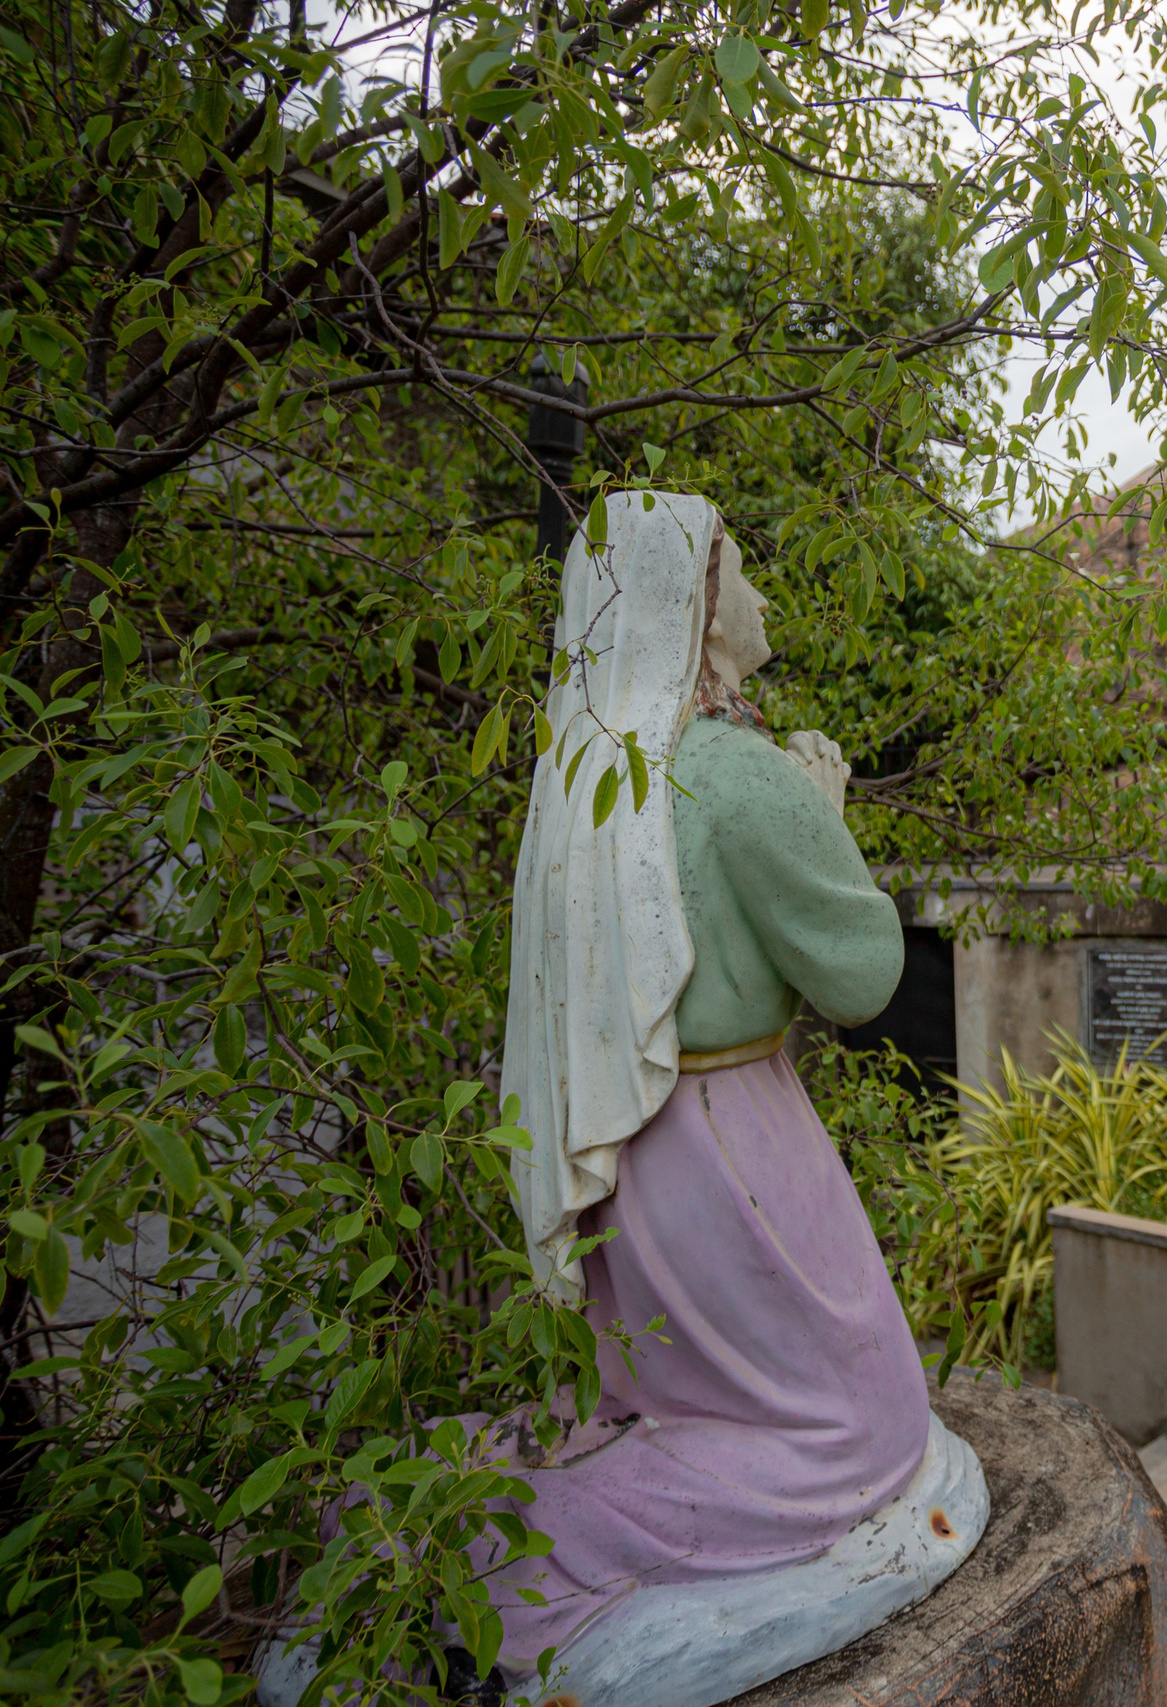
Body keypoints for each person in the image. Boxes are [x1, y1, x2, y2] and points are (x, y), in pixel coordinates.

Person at [259, 492, 984, 1707]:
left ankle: (459, 1520)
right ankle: (497, 1545)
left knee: (673, 1393)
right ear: (696, 608)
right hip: (737, 1153)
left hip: (629, 1151)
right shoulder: (740, 779)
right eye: (738, 573)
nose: (757, 597)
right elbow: (860, 979)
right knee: (851, 1437)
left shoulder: (588, 761)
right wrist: (826, 815)